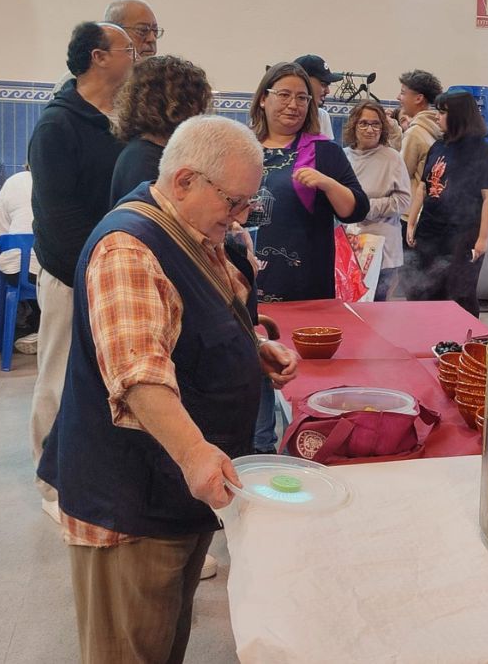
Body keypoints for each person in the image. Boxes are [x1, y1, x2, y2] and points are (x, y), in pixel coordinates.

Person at [36, 115, 299, 664]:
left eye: (250, 203)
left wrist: (251, 350)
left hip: (174, 490)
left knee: (164, 639)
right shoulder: (129, 249)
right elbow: (138, 374)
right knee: (131, 648)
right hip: (131, 500)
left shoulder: (192, 227)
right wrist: (195, 451)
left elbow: (195, 315)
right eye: (234, 201)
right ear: (184, 181)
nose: (241, 215)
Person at [29, 22, 134, 513]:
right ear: (99, 57)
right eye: (128, 47)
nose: (137, 53)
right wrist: (91, 271)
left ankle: (88, 472)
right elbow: (59, 214)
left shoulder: (119, 117)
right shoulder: (58, 124)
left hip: (110, 269)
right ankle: (51, 483)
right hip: (71, 272)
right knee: (58, 375)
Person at [250, 63, 369, 451]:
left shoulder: (323, 152)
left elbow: (356, 209)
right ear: (264, 98)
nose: (293, 104)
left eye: (302, 97)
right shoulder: (242, 146)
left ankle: (301, 447)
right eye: (283, 94)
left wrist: (327, 183)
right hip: (246, 285)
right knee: (250, 378)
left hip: (304, 287)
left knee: (300, 377)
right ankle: (254, 450)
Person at [404, 90, 488, 317]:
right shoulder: (438, 146)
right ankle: (428, 342)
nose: (437, 117)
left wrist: (483, 239)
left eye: (442, 112)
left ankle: (463, 345)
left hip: (463, 235)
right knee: (422, 289)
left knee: (459, 293)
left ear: (459, 116)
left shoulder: (483, 152)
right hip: (430, 230)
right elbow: (423, 187)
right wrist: (411, 221)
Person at [109, 55, 214, 205]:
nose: (199, 112)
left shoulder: (148, 152)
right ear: (176, 104)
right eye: (193, 102)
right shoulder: (144, 160)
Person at [341, 101, 411, 302]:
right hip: (350, 244)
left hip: (382, 247)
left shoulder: (392, 158)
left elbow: (404, 200)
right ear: (354, 126)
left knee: (377, 307)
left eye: (376, 124)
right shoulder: (343, 156)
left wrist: (366, 207)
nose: (370, 129)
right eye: (363, 123)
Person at [0, 167, 41, 353]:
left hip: (19, 272)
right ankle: (43, 328)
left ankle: (16, 330)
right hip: (63, 272)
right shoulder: (75, 181)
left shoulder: (15, 181)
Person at [54, 0, 161, 90]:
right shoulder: (75, 83)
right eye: (142, 30)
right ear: (115, 30)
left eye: (155, 31)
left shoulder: (159, 82)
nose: (152, 38)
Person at [397, 69, 444, 232]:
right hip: (430, 211)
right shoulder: (437, 126)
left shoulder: (415, 132)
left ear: (418, 98)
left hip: (411, 214)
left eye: (403, 93)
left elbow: (401, 175)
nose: (399, 98)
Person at [293, 54, 342, 140]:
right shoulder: (285, 115)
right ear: (304, 81)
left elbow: (328, 151)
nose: (328, 91)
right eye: (323, 84)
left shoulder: (322, 115)